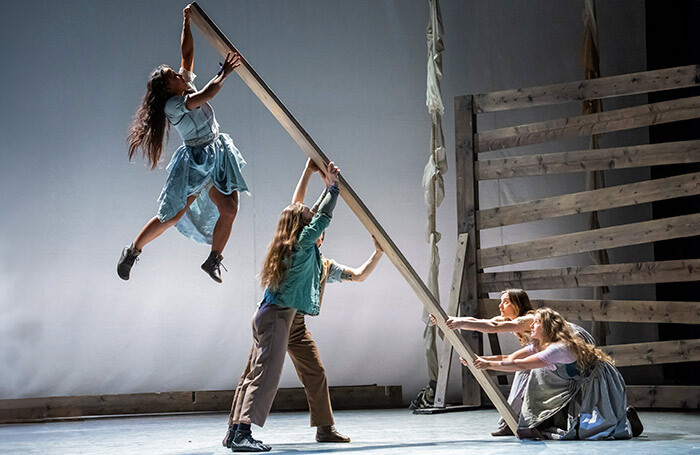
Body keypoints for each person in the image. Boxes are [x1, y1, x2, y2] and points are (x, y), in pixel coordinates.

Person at [222, 160, 384, 449]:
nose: (316, 227)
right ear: (304, 229)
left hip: (291, 321)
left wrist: (378, 253)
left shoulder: (315, 259)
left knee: (313, 371)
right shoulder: (298, 245)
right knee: (264, 374)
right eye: (310, 223)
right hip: (275, 318)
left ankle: (323, 428)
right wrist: (333, 188)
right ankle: (241, 433)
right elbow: (320, 217)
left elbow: (309, 215)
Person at [118, 4, 248, 283]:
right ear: (168, 89)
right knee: (173, 216)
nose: (180, 75)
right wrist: (224, 72)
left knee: (230, 208)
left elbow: (186, 54)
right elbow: (207, 94)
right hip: (197, 161)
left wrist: (186, 21)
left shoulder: (181, 86)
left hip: (216, 152)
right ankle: (132, 250)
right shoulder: (174, 105)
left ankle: (213, 260)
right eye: (173, 76)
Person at [432, 289, 594, 436]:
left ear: (518, 304)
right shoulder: (520, 326)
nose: (500, 305)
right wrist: (449, 322)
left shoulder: (529, 319)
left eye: (506, 301)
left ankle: (511, 419)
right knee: (525, 369)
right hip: (556, 355)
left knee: (525, 371)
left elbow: (494, 327)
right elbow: (489, 328)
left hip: (571, 348)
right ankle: (515, 419)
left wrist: (459, 322)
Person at [470, 307, 643, 440]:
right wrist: (481, 359)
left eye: (536, 322)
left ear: (547, 326)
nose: (531, 325)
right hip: (578, 380)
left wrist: (487, 364)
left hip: (599, 381)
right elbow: (511, 358)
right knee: (563, 425)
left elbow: (520, 365)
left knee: (592, 430)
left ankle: (627, 419)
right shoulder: (542, 344)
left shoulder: (558, 348)